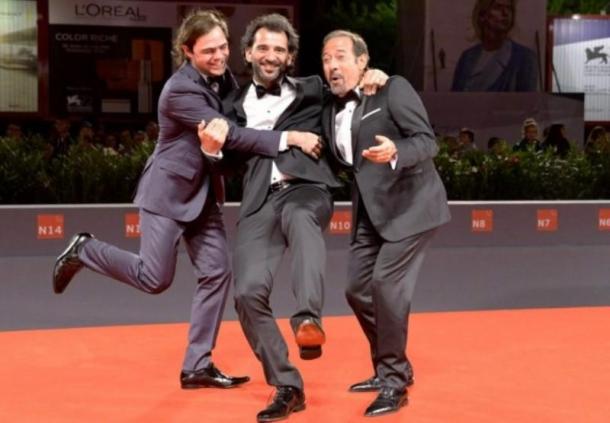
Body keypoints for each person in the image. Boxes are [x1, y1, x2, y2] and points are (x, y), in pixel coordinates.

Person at [52, 9, 320, 391]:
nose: (219, 56)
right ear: (187, 51)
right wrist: (288, 139)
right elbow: (230, 134)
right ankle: (85, 250)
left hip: (204, 195)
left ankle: (197, 365)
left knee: (217, 272)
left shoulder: (223, 77)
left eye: (223, 47)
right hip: (168, 193)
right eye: (208, 51)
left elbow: (238, 118)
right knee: (154, 279)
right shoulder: (180, 91)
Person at [218, 14, 386, 422]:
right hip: (258, 200)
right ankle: (287, 386)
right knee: (247, 293)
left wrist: (375, 76)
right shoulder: (231, 105)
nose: (270, 55)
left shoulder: (312, 89)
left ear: (290, 57)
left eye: (279, 49)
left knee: (299, 216)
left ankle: (308, 317)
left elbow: (347, 89)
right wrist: (211, 148)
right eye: (263, 47)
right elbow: (225, 159)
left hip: (307, 189)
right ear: (247, 53)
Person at [321, 30, 451, 417]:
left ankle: (394, 380)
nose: (332, 65)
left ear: (363, 61)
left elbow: (427, 141)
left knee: (385, 285)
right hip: (370, 211)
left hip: (412, 206)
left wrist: (397, 151)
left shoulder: (391, 89)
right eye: (326, 58)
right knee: (356, 290)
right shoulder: (328, 107)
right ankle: (391, 365)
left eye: (340, 56)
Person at [452, 0, 538, 92]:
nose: (505, 13)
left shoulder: (524, 58)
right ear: (482, 15)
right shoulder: (467, 57)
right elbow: (455, 97)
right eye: (498, 7)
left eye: (509, 8)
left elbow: (526, 100)